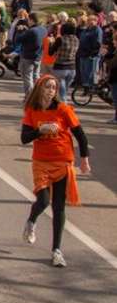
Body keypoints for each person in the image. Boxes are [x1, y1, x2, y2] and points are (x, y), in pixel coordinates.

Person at [20, 75, 91, 267]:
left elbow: (81, 136)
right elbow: (24, 138)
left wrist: (84, 159)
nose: (51, 90)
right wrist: (40, 131)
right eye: (47, 87)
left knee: (59, 207)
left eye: (54, 87)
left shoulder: (63, 110)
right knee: (43, 200)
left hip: (62, 162)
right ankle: (31, 221)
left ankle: (56, 251)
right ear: (40, 89)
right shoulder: (32, 111)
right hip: (41, 162)